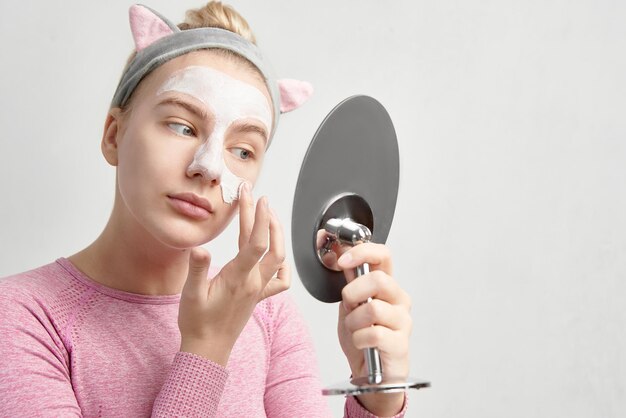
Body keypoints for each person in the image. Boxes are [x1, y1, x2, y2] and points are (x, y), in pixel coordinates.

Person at [0, 2, 413, 417]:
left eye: (242, 149)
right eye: (182, 126)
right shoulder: (22, 317)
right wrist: (208, 348)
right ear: (113, 135)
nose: (209, 168)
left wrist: (376, 396)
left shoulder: (267, 313)